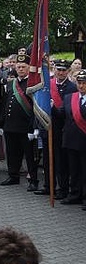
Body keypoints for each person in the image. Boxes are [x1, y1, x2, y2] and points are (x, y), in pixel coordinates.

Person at [0, 53, 38, 190]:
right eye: (19, 66)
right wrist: (1, 123)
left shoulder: (33, 84)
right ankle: (13, 176)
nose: (20, 69)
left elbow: (35, 107)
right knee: (12, 153)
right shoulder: (11, 84)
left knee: (30, 156)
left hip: (26, 127)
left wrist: (34, 128)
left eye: (23, 66)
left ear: (29, 68)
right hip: (10, 126)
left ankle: (33, 180)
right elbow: (5, 104)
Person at [39, 62, 78, 198]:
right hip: (47, 127)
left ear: (68, 71)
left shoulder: (73, 87)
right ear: (54, 70)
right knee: (47, 159)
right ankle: (48, 186)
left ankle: (62, 189)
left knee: (61, 161)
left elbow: (72, 111)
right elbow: (39, 106)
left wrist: (54, 108)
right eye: (58, 70)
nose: (60, 73)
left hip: (62, 129)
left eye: (63, 70)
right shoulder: (47, 85)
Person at [59, 70, 86, 208]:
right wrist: (50, 107)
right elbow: (61, 114)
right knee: (74, 170)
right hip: (71, 139)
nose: (81, 86)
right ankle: (75, 194)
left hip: (84, 139)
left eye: (84, 83)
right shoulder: (70, 97)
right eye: (79, 83)